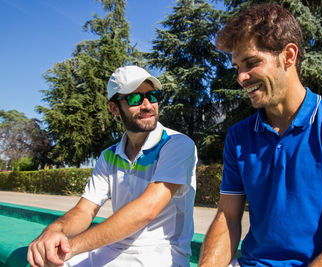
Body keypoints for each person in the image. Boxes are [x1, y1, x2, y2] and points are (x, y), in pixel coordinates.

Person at [199, 3, 322, 267]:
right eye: (237, 66)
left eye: (251, 62)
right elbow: (227, 218)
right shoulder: (238, 136)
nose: (241, 77)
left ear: (289, 55)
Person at [27, 65, 198, 267]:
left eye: (152, 96)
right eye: (135, 99)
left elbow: (147, 209)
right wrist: (55, 229)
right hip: (112, 251)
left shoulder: (177, 144)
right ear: (115, 108)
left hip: (160, 256)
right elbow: (85, 210)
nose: (147, 105)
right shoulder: (108, 156)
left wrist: (69, 248)